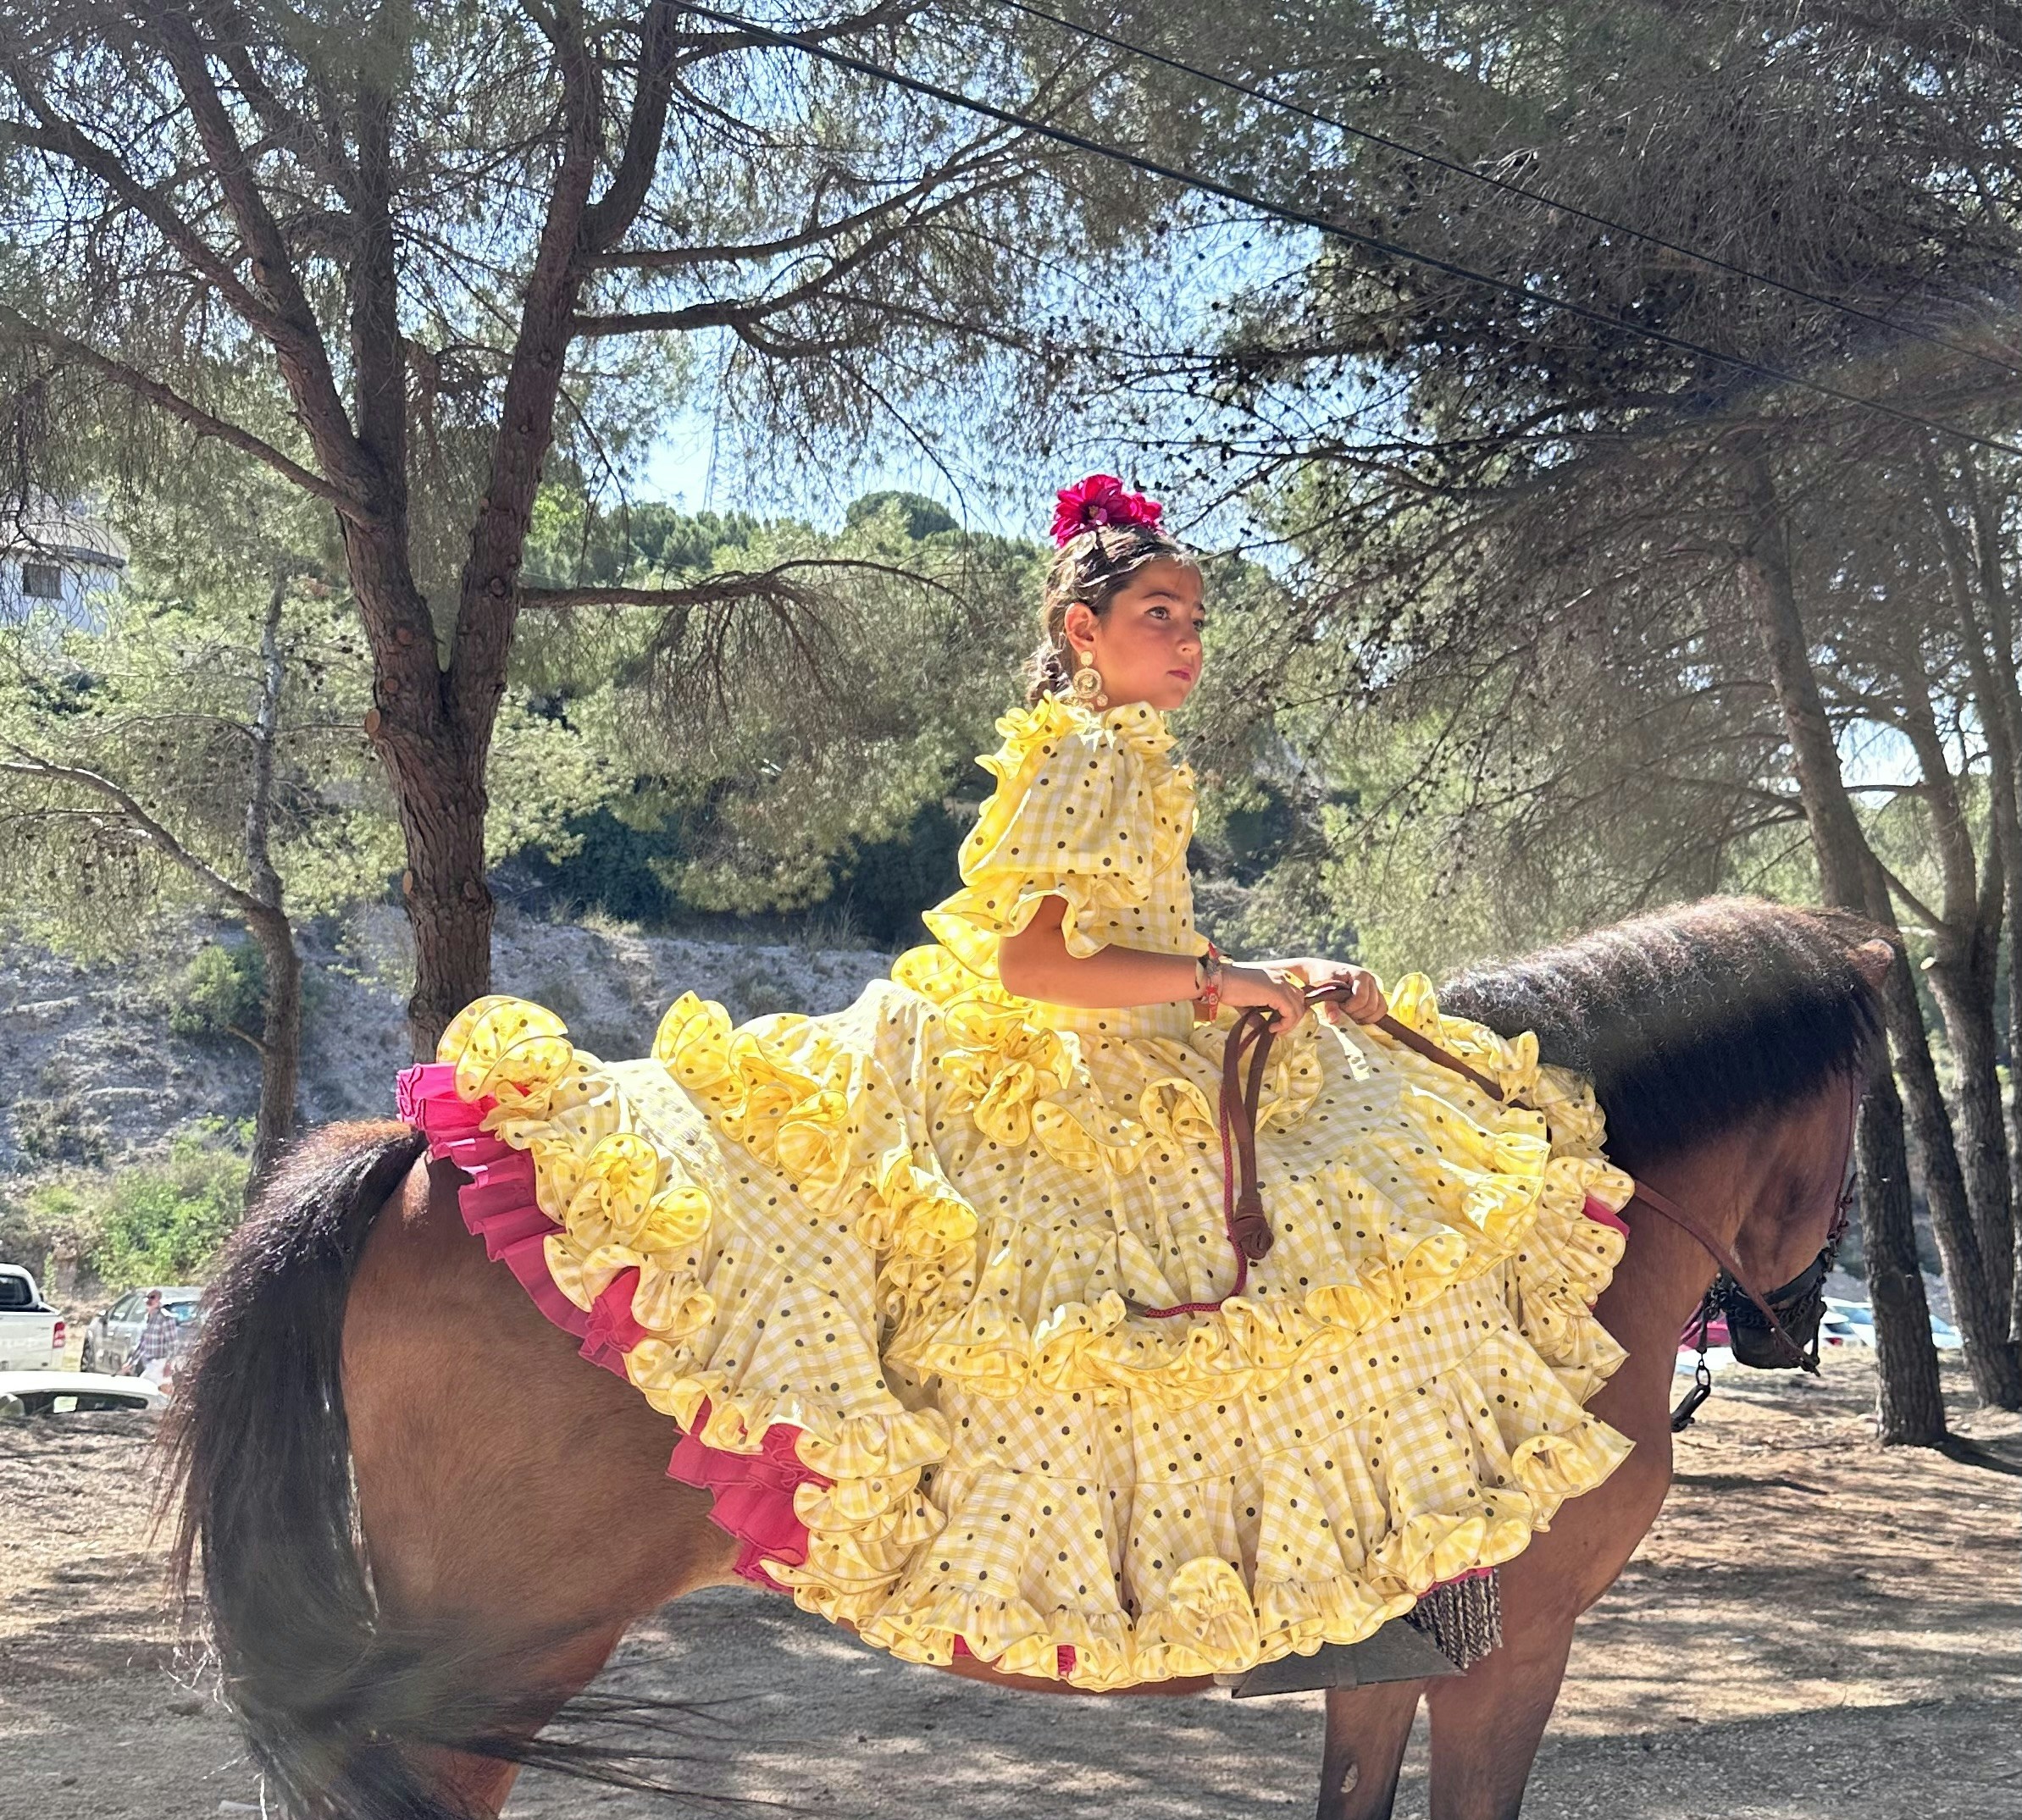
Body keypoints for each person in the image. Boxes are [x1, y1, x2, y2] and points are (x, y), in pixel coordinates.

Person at [402, 474, 1636, 1691]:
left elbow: (1125, 940)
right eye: (1159, 614)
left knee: (1353, 1241)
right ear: (1081, 631)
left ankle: (1352, 1589)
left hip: (1141, 1044)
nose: (1188, 641)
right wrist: (1222, 980)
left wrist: (1270, 977)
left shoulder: (1121, 749)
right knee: (1330, 1259)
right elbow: (1034, 965)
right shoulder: (1084, 749)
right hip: (1079, 1070)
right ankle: (1325, 1594)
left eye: (1196, 619)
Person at [125, 1288, 180, 1381]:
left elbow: (173, 1344)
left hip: (160, 1363)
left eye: (152, 1297)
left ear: (159, 1300)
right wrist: (131, 1363)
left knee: (143, 1386)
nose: (149, 1300)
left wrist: (169, 1364)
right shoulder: (147, 1318)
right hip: (149, 1363)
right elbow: (143, 1344)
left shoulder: (165, 1318)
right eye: (147, 1297)